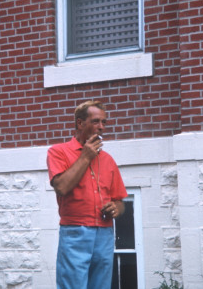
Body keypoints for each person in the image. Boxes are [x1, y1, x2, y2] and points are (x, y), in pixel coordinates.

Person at [46, 100, 127, 289]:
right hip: (75, 231)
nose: (101, 127)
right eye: (96, 121)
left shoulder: (108, 160)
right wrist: (86, 156)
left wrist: (116, 208)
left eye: (104, 122)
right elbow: (62, 187)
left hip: (104, 233)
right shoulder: (58, 152)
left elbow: (120, 201)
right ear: (80, 123)